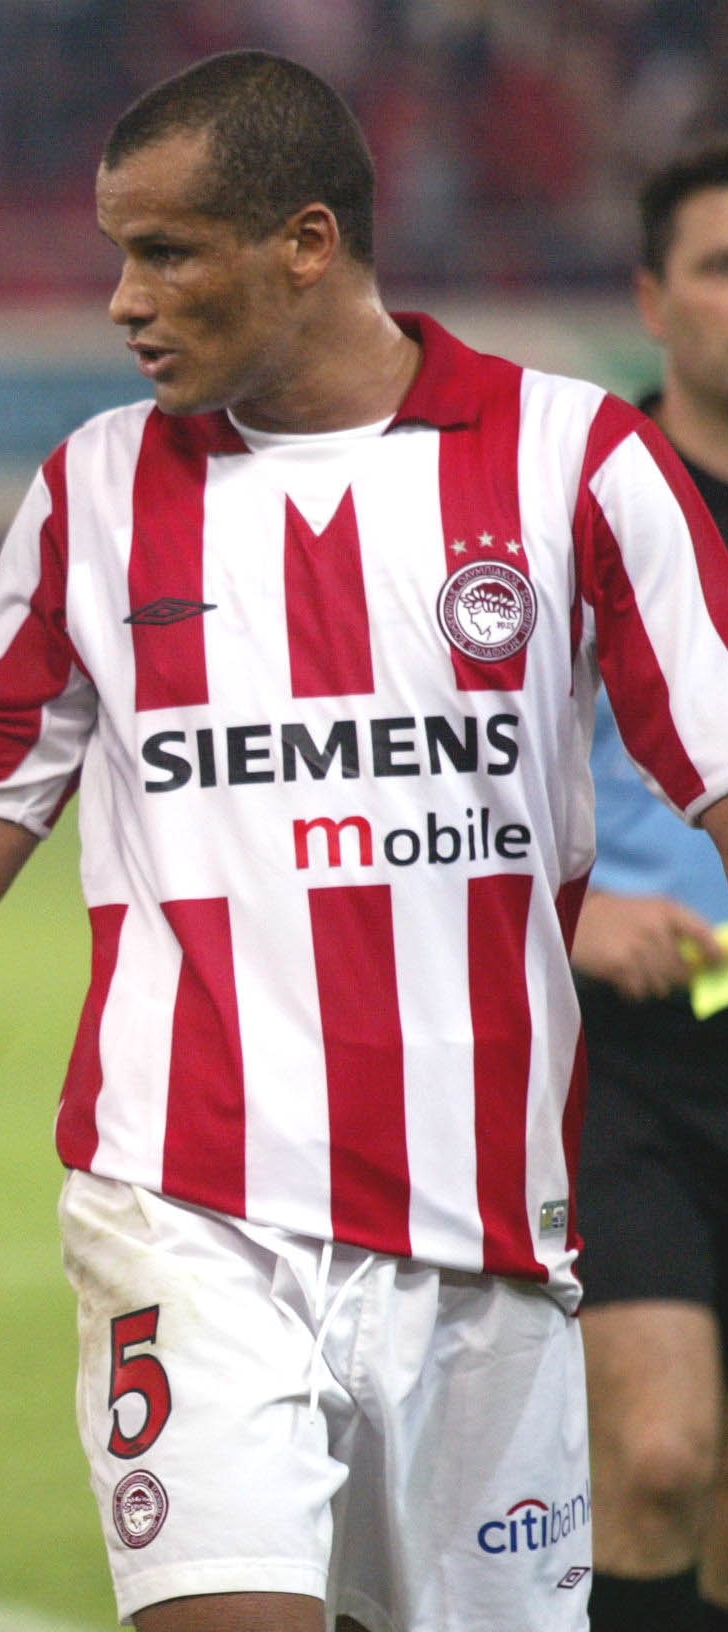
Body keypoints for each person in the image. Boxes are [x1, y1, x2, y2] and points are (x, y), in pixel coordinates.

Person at [0, 49, 728, 1632]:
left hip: (488, 1239)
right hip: (188, 1211)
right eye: (121, 252)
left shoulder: (576, 460)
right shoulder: (94, 495)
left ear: (307, 243)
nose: (125, 299)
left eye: (169, 251)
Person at [576, 138, 728, 1632]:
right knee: (663, 1454)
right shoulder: (582, 506)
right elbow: (453, 776)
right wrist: (574, 911)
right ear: (652, 298)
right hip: (617, 1055)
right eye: (719, 267)